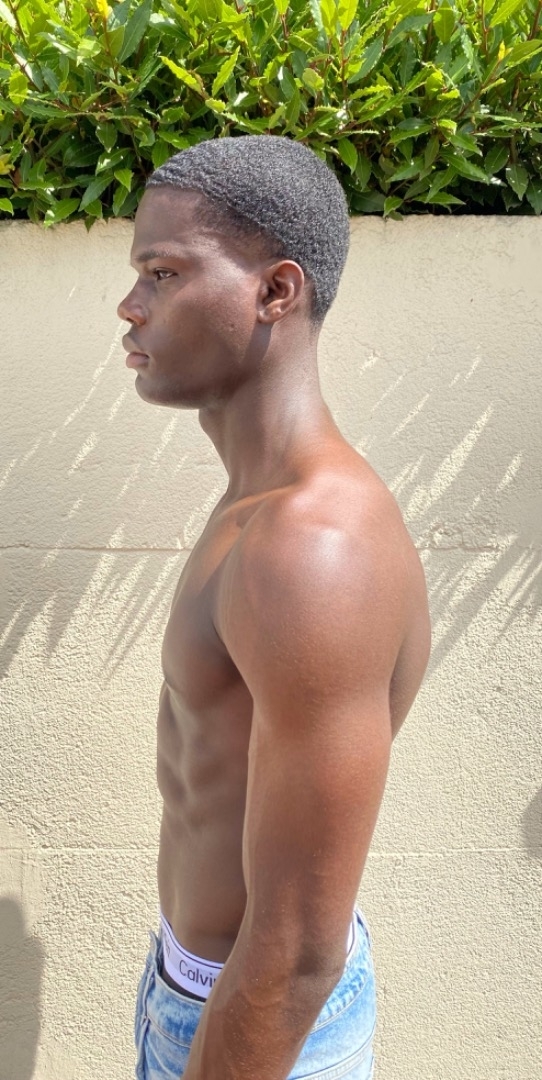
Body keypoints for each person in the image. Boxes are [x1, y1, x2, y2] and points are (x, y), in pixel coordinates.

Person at [118, 135, 430, 1080]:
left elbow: (296, 954)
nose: (130, 306)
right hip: (199, 991)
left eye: (163, 273)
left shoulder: (310, 547)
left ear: (276, 292)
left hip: (261, 1028)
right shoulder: (257, 506)